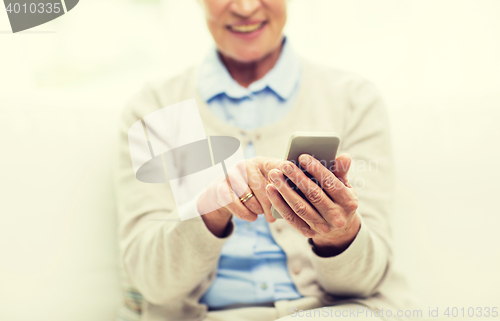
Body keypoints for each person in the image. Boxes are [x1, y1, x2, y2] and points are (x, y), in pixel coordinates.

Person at [114, 0, 417, 320]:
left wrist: (338, 234)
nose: (245, 8)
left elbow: (365, 280)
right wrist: (213, 207)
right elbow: (152, 281)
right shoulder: (155, 109)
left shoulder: (353, 101)